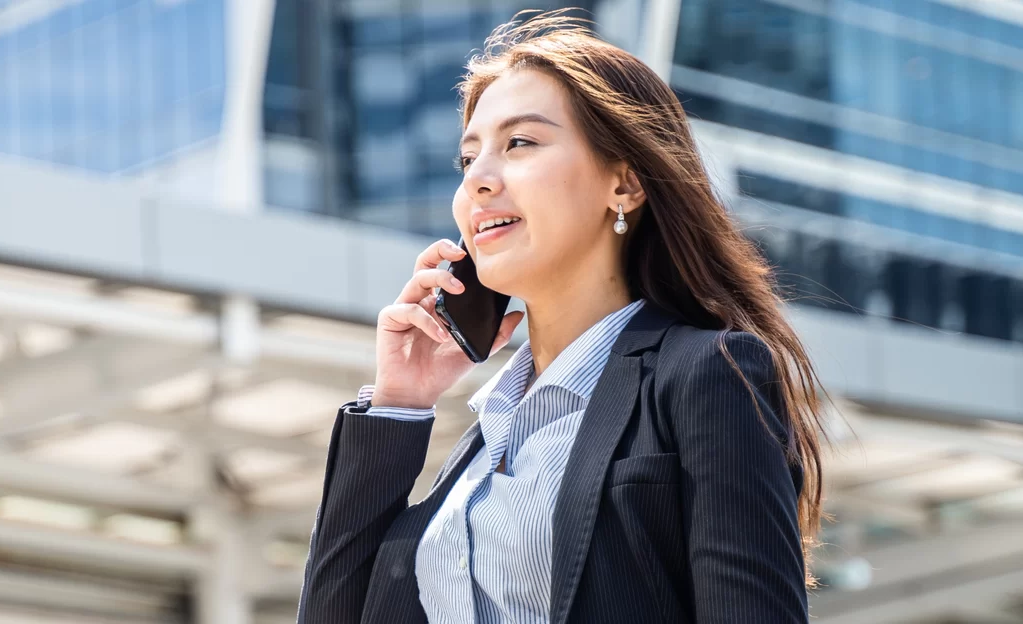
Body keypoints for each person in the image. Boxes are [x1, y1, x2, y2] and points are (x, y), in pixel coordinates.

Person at [297, 11, 831, 624]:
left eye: (519, 143)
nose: (478, 181)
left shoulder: (704, 374)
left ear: (624, 185)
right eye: (468, 159)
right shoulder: (485, 439)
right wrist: (400, 405)